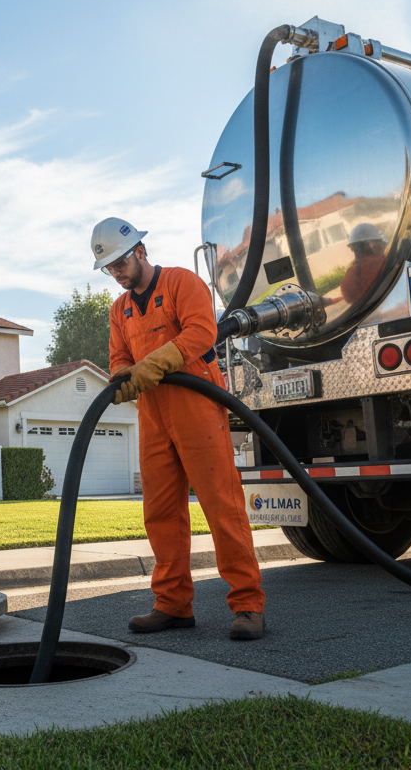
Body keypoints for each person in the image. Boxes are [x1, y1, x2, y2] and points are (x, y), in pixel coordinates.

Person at [93, 217, 266, 640]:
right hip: (153, 415)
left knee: (221, 506)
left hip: (197, 407)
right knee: (161, 513)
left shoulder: (181, 283)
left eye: (119, 262)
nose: (116, 273)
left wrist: (150, 365)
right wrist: (121, 378)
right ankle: (172, 604)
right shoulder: (120, 310)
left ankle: (247, 605)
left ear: (139, 251)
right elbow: (118, 356)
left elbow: (202, 334)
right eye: (108, 268)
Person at [338, 223, 387, 306]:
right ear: (372, 245)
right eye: (380, 242)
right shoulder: (385, 261)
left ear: (353, 249)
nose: (383, 245)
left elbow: (348, 298)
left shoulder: (350, 275)